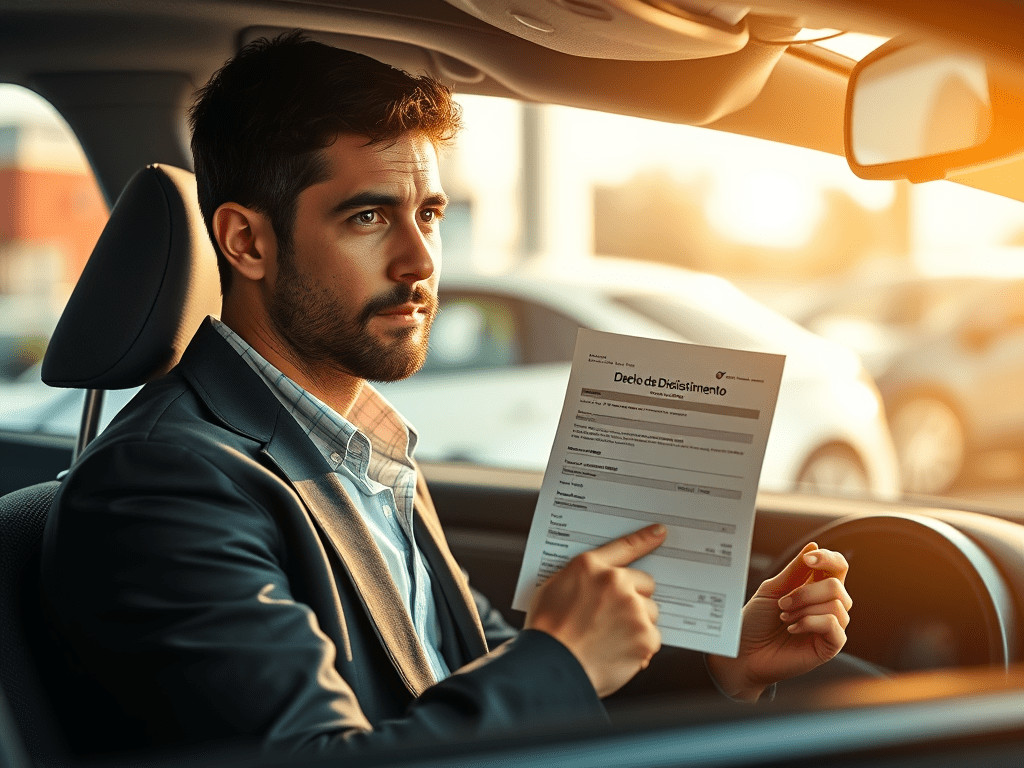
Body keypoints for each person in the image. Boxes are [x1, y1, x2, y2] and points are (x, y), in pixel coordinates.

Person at [40, 31, 852, 758]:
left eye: (429, 213)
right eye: (368, 217)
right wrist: (562, 660)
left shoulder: (358, 446)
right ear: (247, 242)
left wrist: (721, 663)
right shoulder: (160, 487)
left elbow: (476, 670)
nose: (420, 260)